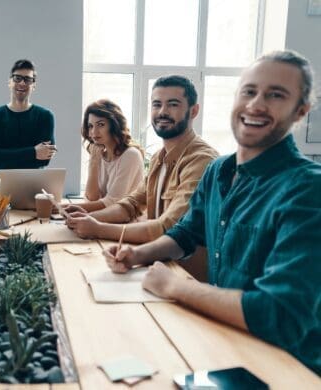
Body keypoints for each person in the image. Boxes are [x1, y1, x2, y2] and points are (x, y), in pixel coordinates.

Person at [105, 51, 321, 375]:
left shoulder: (308, 189)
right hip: (225, 343)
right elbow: (187, 233)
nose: (256, 104)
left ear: (300, 111)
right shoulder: (219, 170)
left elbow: (277, 313)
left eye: (276, 95)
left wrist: (175, 287)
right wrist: (138, 254)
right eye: (249, 91)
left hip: (285, 367)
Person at [66, 76, 218, 244]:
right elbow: (130, 205)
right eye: (157, 104)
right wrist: (87, 218)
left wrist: (98, 229)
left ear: (194, 111)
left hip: (181, 268)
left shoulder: (201, 160)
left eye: (173, 104)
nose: (163, 112)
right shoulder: (158, 158)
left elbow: (168, 228)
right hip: (155, 258)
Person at [0, 59, 56, 185]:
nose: (22, 83)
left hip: (35, 184)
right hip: (2, 186)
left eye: (27, 79)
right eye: (17, 78)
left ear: (34, 85)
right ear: (9, 82)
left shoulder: (45, 116)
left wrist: (4, 157)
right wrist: (33, 152)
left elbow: (44, 160)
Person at [64, 99, 144, 213]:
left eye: (101, 125)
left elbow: (112, 202)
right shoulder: (100, 154)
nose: (94, 132)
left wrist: (64, 207)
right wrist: (93, 162)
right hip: (102, 219)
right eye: (90, 126)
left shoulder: (131, 155)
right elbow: (92, 198)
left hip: (127, 224)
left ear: (114, 125)